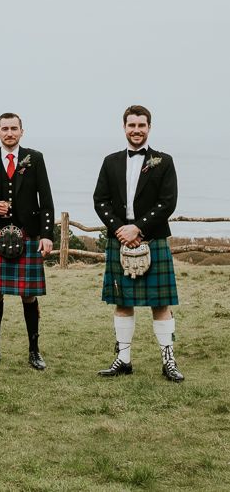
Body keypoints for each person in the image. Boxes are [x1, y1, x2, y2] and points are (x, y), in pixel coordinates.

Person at [93, 105, 183, 382]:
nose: (136, 130)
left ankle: (168, 361)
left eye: (141, 125)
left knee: (161, 303)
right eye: (131, 125)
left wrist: (138, 228)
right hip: (120, 239)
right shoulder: (111, 161)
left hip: (151, 237)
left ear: (149, 128)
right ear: (124, 127)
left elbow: (168, 202)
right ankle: (123, 359)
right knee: (122, 302)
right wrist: (120, 229)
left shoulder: (163, 161)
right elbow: (100, 200)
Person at [0, 113, 54, 370]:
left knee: (29, 294)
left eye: (14, 128)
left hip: (27, 234)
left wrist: (47, 234)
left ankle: (34, 351)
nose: (9, 133)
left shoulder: (34, 158)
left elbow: (45, 199)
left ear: (22, 131)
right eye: (4, 129)